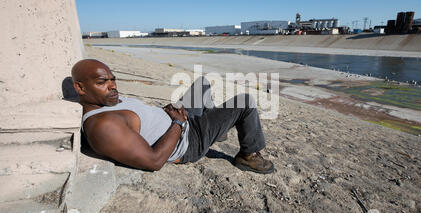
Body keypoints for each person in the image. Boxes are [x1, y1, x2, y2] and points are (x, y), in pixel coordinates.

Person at [71, 59, 275, 174]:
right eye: (102, 82)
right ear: (80, 87)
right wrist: (178, 122)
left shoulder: (105, 101)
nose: (112, 86)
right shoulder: (103, 126)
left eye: (112, 80)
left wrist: (169, 113)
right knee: (245, 102)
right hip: (188, 139)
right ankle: (247, 156)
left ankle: (217, 130)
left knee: (202, 83)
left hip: (179, 120)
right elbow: (154, 162)